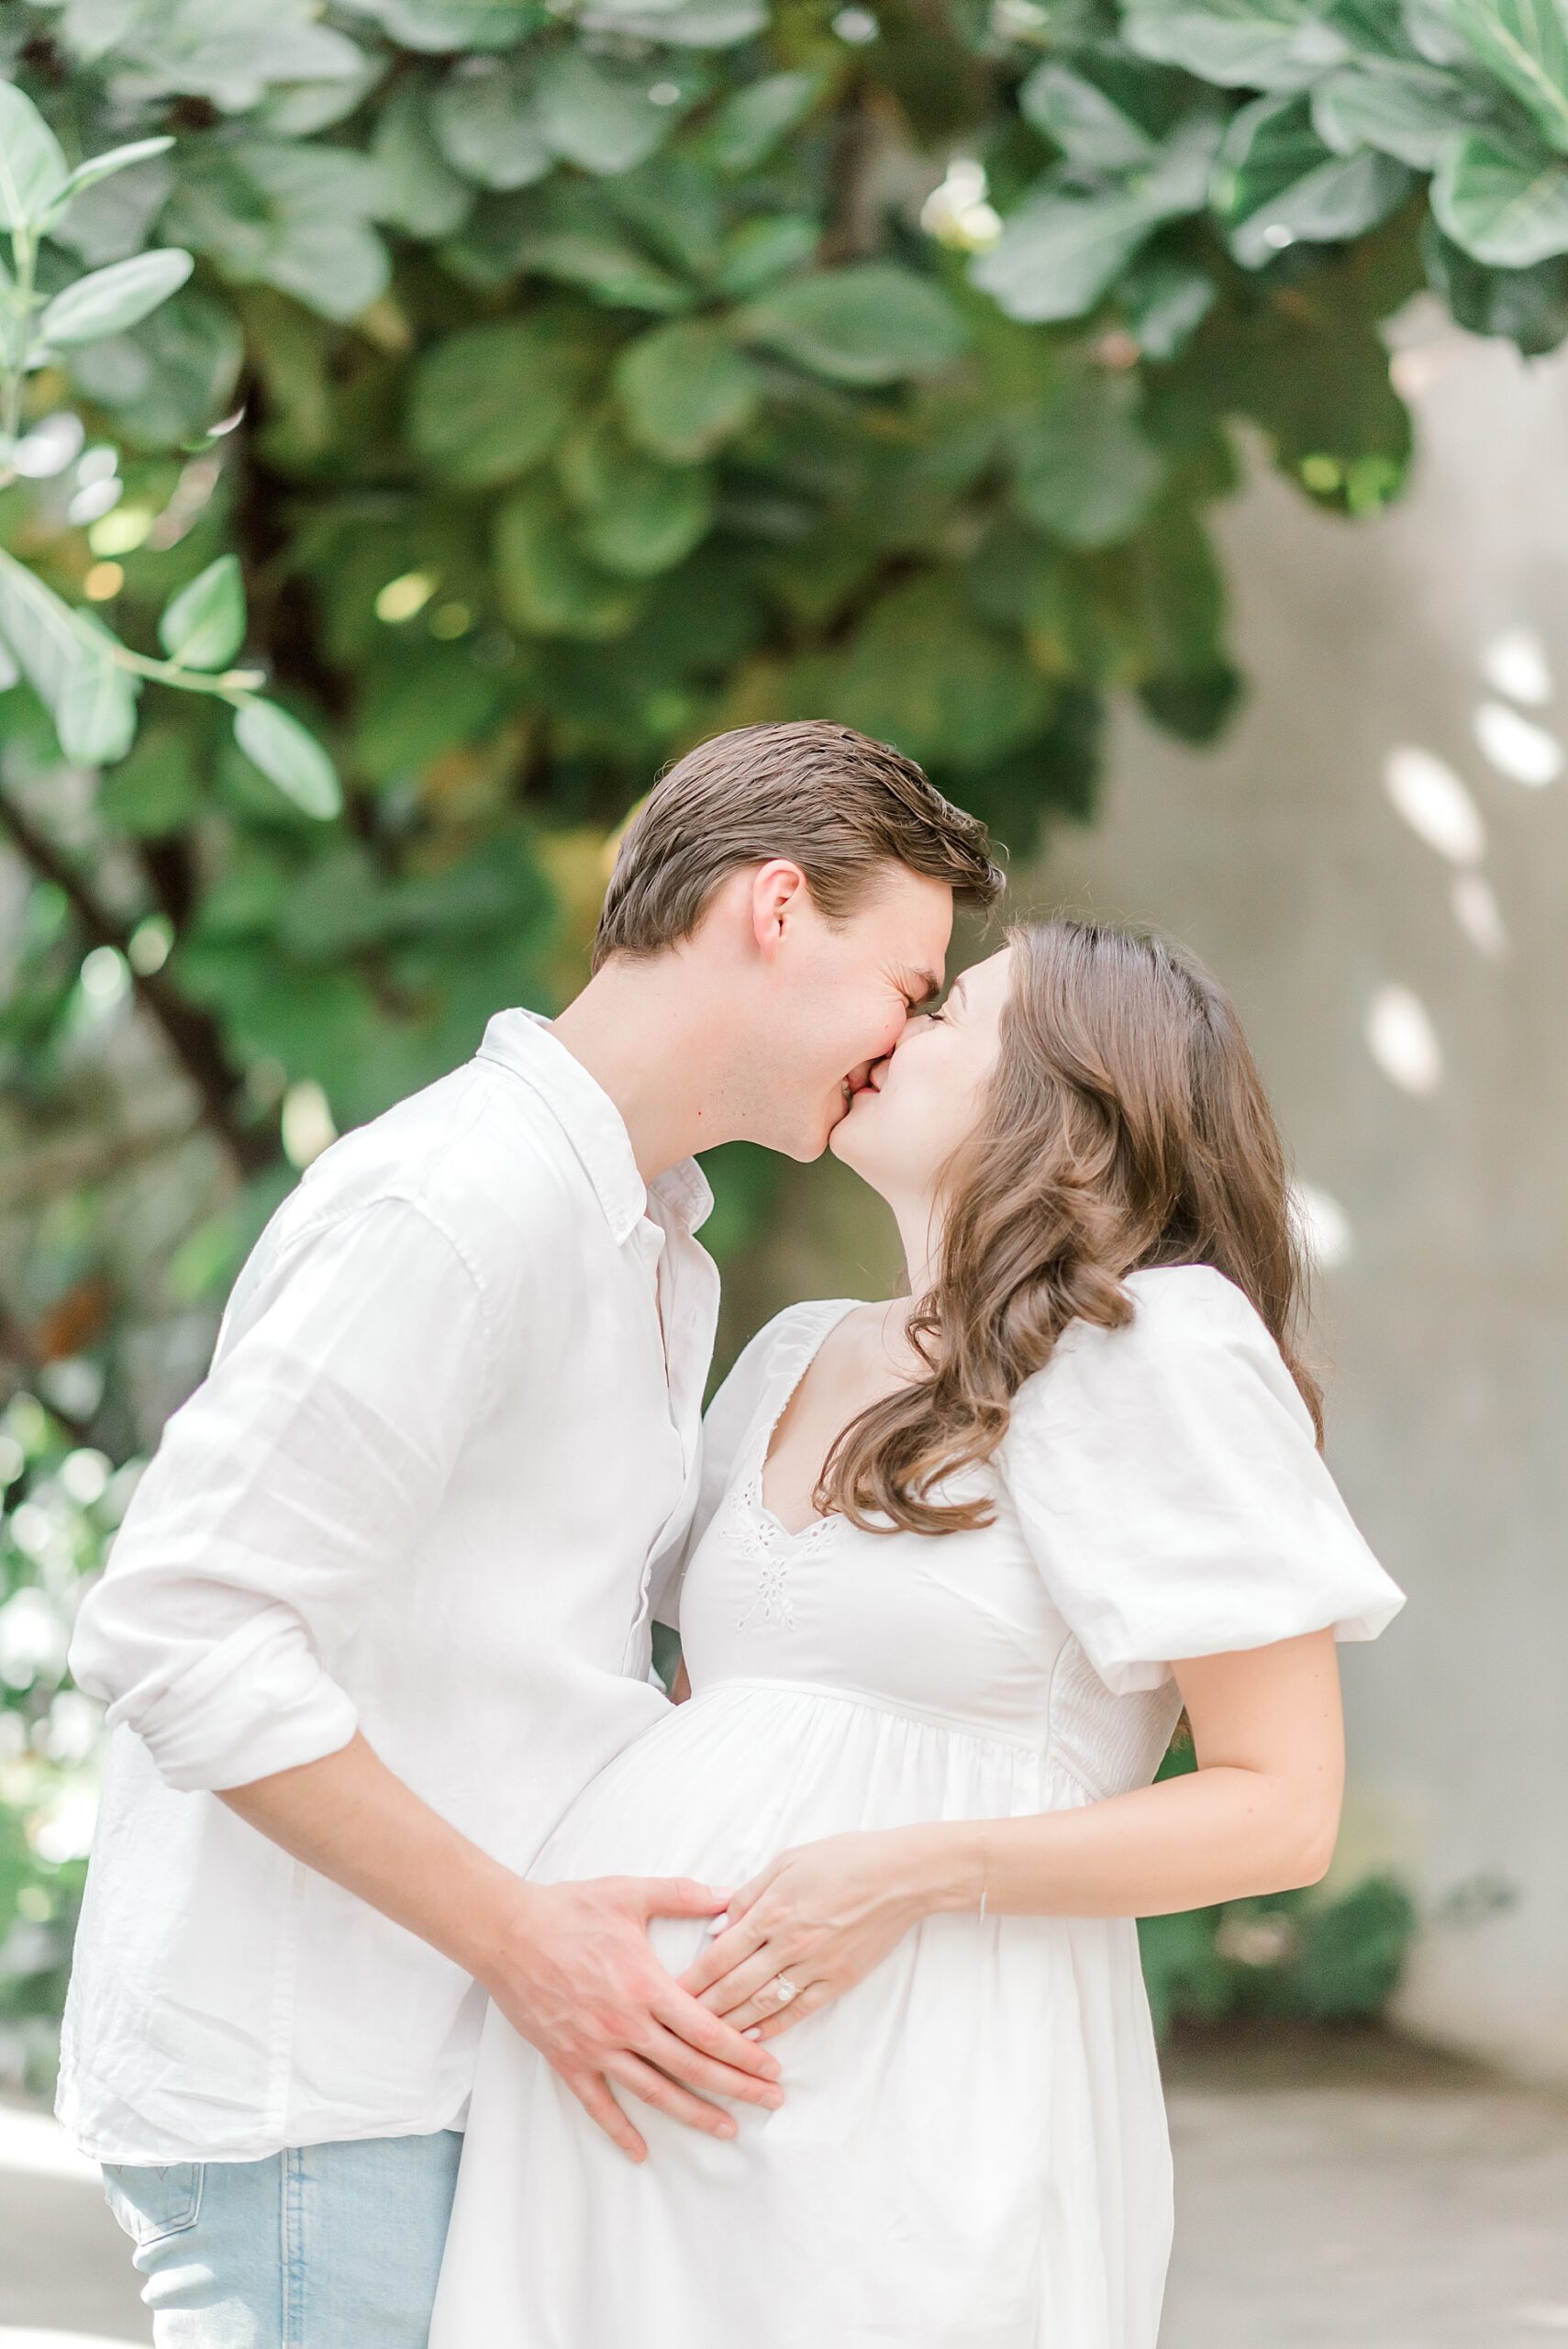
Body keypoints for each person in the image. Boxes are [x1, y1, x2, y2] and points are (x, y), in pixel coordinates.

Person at [56, 720, 1002, 2343]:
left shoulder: (648, 1237)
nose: (902, 1039)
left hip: (436, 2078)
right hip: (316, 2101)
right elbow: (176, 1625)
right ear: (774, 907)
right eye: (908, 985)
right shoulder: (459, 1206)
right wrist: (527, 1943)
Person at [428, 918, 1407, 2349]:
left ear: (1071, 1107)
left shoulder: (1157, 1345)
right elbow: (718, 1717)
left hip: (920, 2099)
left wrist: (909, 1872)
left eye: (950, 1012)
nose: (896, 1026)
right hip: (638, 2095)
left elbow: (1281, 1812)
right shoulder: (790, 1350)